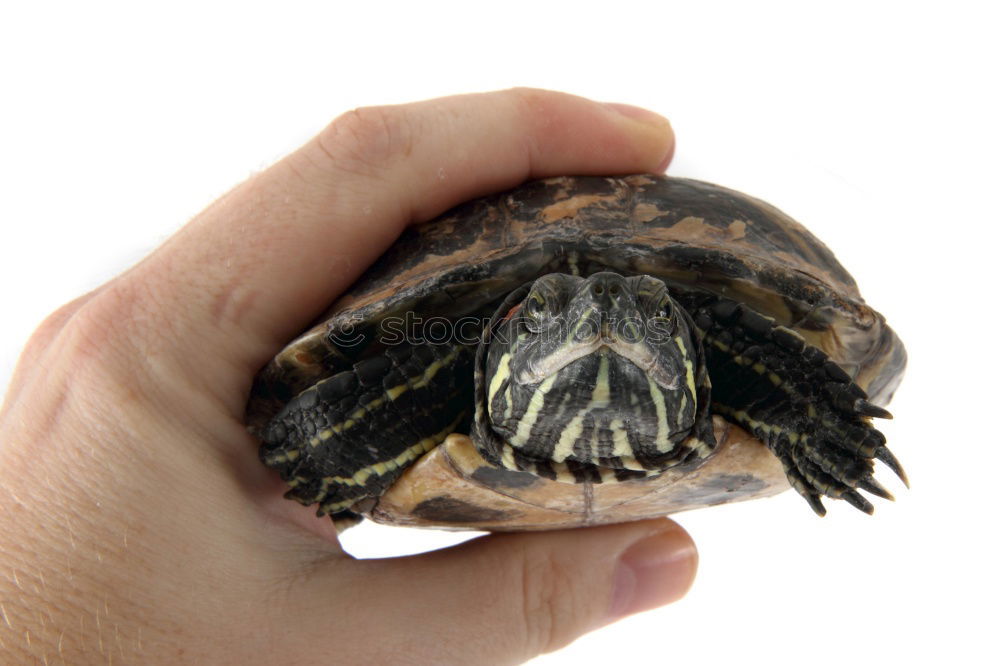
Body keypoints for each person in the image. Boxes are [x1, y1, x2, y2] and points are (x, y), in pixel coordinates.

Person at [0, 88, 698, 664]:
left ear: (695, 348)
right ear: (504, 336)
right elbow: (329, 417)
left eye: (653, 314)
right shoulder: (442, 353)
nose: (602, 314)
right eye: (546, 311)